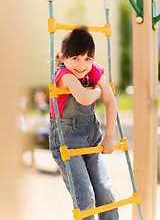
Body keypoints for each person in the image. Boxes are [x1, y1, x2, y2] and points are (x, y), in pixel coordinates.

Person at [49, 26, 119, 220]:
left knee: (105, 192)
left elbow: (111, 101)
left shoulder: (93, 70)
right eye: (75, 58)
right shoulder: (64, 76)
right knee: (85, 196)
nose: (82, 65)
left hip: (91, 139)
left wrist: (110, 137)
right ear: (63, 57)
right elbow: (85, 98)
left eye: (88, 58)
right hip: (66, 142)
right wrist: (98, 90)